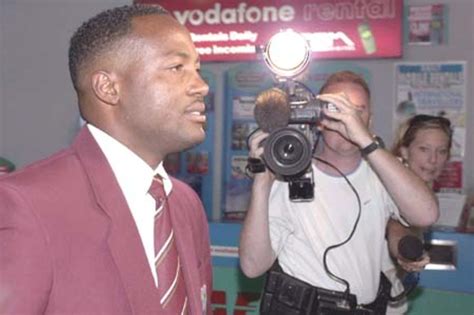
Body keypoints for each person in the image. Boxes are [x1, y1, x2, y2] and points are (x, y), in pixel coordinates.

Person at [0, 4, 212, 314]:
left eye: (197, 69)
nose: (201, 86)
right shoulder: (28, 204)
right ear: (108, 87)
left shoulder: (185, 204)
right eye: (177, 68)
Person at [239, 71, 439, 314]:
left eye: (357, 111)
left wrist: (367, 142)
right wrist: (262, 181)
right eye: (335, 108)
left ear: (369, 121)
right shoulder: (289, 174)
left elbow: (426, 215)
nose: (346, 118)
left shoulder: (384, 172)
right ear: (319, 118)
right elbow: (252, 266)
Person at [383, 114, 453, 314]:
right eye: (424, 149)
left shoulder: (425, 195)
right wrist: (406, 251)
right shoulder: (388, 187)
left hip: (392, 299)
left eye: (441, 151)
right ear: (404, 150)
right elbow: (395, 226)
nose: (433, 160)